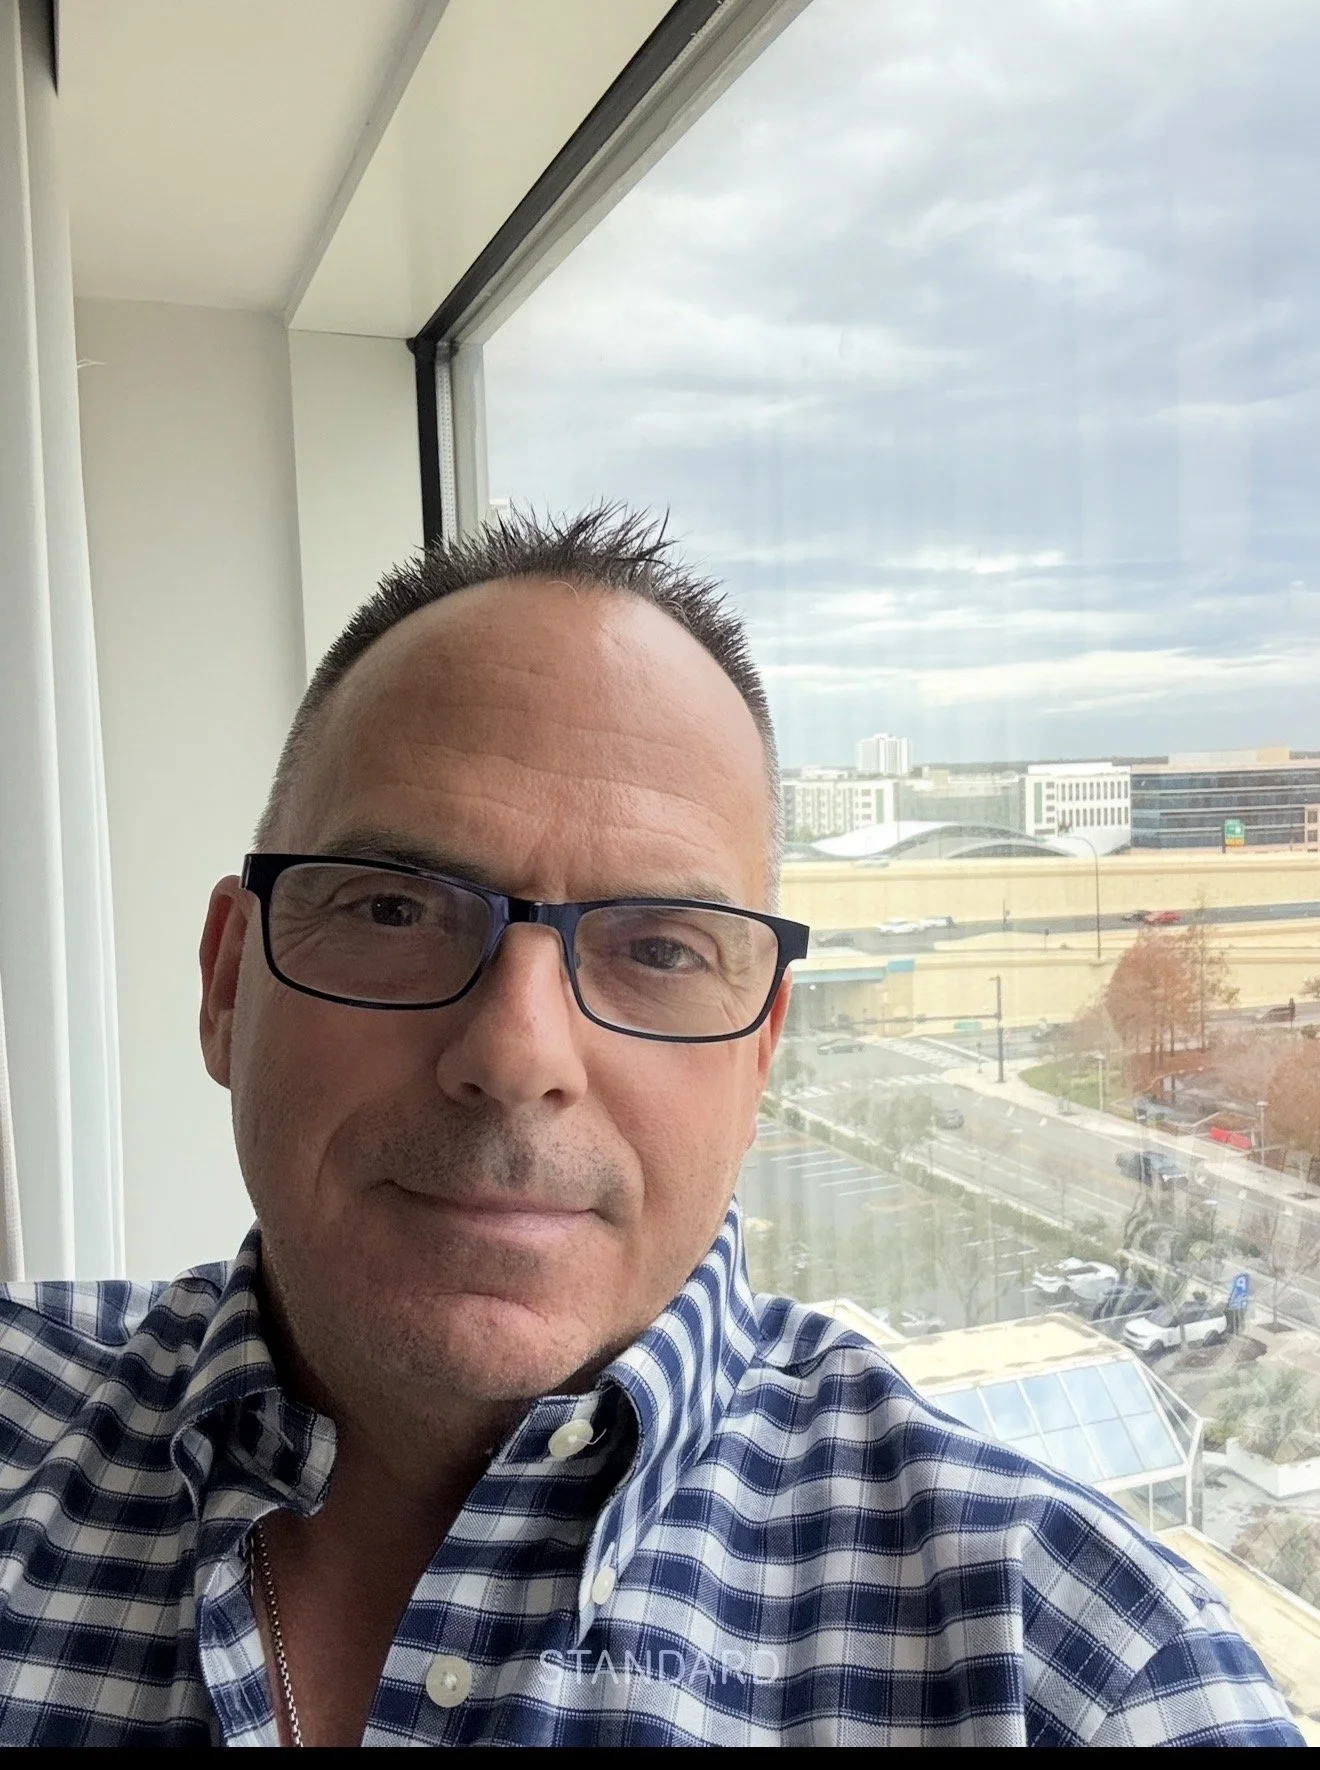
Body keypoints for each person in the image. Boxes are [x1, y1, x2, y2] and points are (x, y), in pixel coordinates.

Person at [0, 509, 1302, 1747]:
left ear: (760, 1057)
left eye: (662, 948)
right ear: (230, 981)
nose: (516, 1054)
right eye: (395, 910)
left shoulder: (1080, 1671)